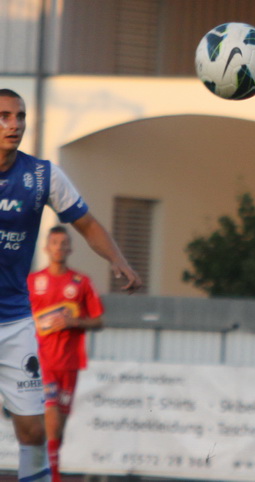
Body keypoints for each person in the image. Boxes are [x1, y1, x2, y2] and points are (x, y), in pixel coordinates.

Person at [0, 88, 141, 482]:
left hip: (14, 320)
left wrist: (118, 259)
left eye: (20, 116)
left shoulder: (42, 176)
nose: (14, 124)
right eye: (4, 116)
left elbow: (87, 223)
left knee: (33, 432)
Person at [28, 226, 105, 482]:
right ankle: (54, 476)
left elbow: (99, 320)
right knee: (50, 414)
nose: (59, 247)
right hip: (41, 361)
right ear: (46, 247)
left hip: (70, 362)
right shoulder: (32, 282)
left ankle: (47, 463)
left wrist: (74, 322)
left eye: (64, 243)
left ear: (70, 248)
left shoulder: (81, 282)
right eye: (55, 243)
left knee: (58, 425)